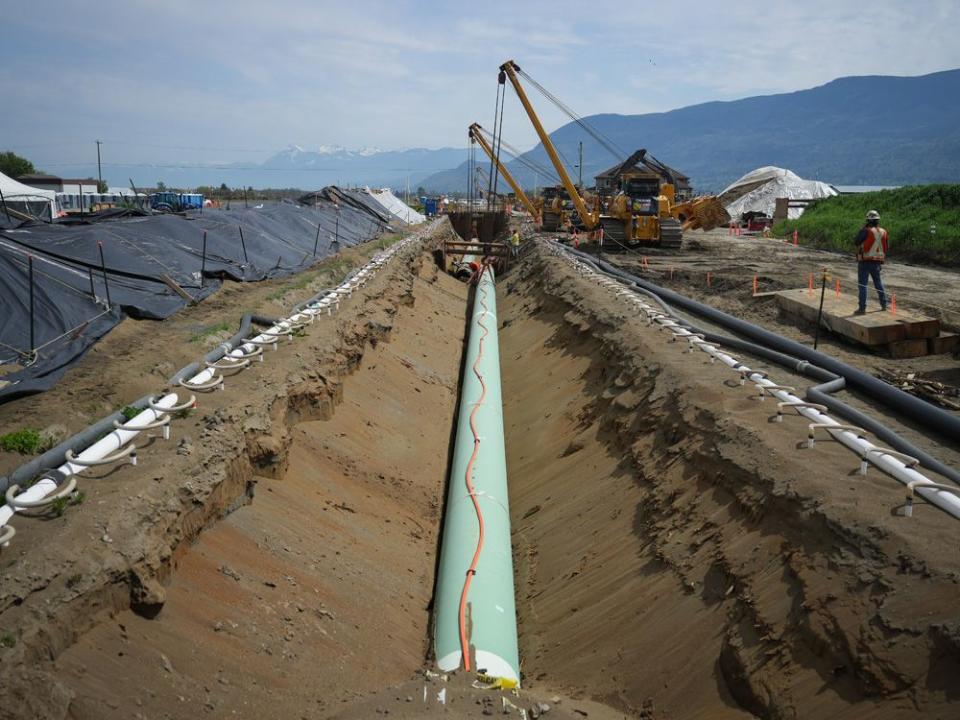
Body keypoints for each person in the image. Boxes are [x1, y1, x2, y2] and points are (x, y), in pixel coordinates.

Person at [854, 210, 888, 315]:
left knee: (863, 285)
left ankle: (862, 308)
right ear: (878, 220)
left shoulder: (866, 231)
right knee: (878, 283)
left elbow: (856, 242)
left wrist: (861, 229)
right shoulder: (884, 232)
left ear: (868, 220)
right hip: (877, 262)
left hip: (865, 261)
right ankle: (884, 305)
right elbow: (886, 247)